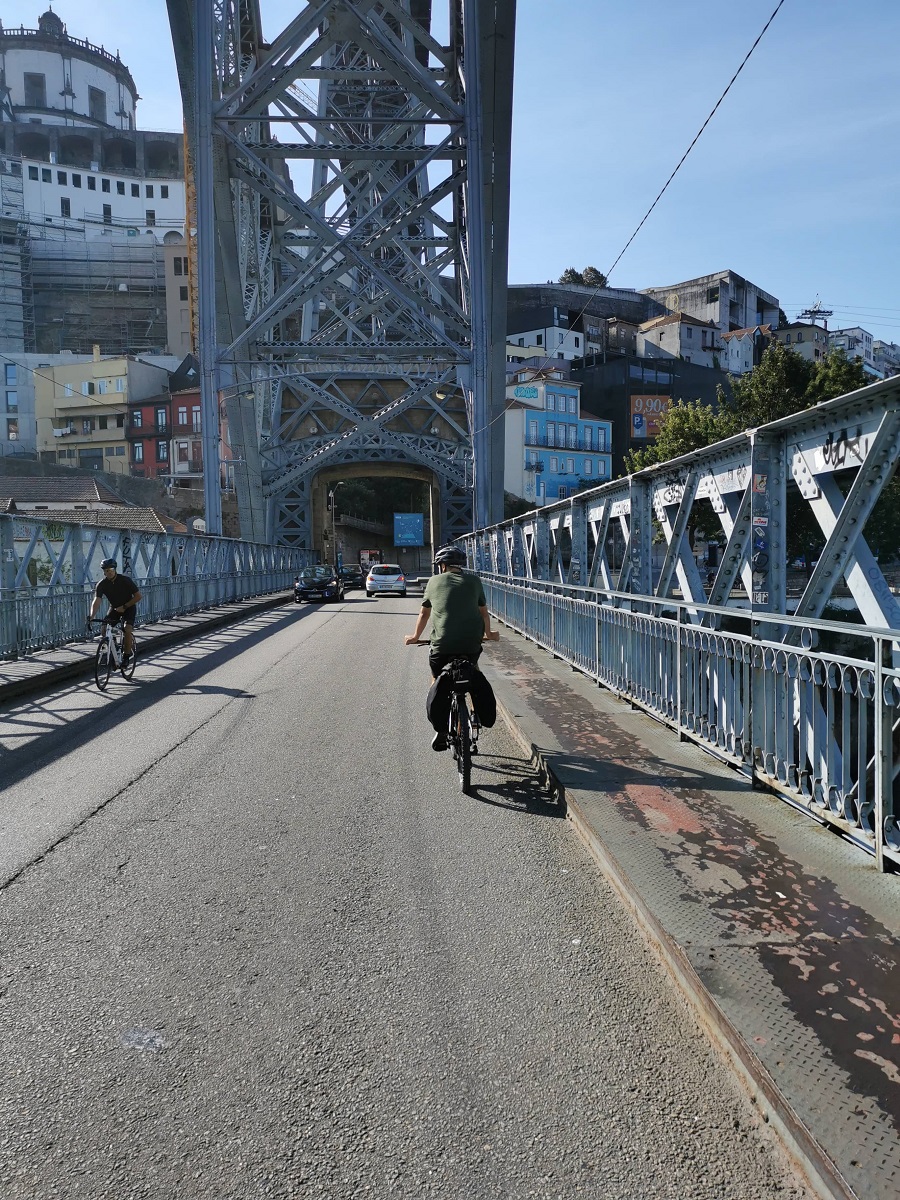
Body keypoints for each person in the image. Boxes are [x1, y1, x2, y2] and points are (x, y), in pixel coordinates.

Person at [405, 544, 499, 749]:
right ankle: (474, 719)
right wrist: (489, 634)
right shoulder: (474, 581)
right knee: (473, 672)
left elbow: (424, 613)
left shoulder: (433, 581)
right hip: (471, 644)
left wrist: (414, 636)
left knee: (437, 678)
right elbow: (483, 613)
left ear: (443, 565)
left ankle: (440, 729)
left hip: (442, 646)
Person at [88, 558, 142, 661]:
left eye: (111, 569)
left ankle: (127, 655)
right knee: (104, 629)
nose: (109, 572)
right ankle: (115, 648)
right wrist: (91, 616)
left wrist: (125, 606)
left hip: (128, 607)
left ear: (115, 569)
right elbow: (97, 600)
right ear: (103, 571)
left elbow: (138, 596)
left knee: (127, 628)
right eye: (106, 570)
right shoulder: (102, 584)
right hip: (115, 608)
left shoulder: (125, 580)